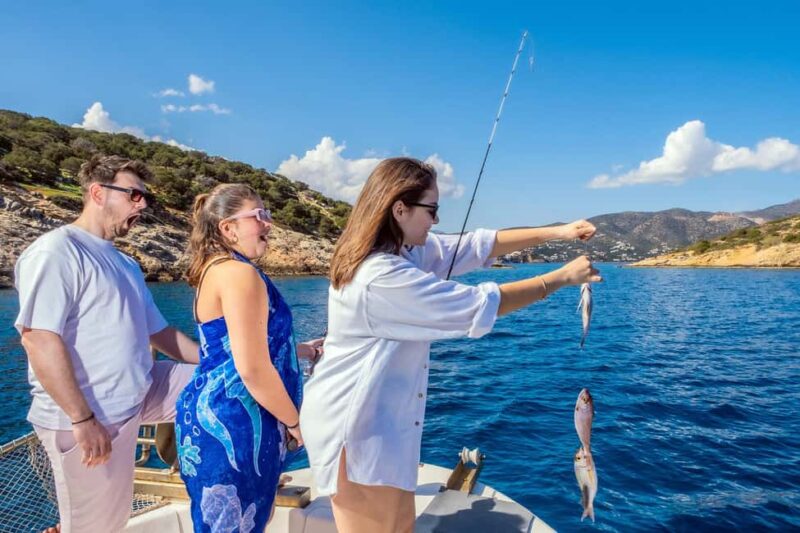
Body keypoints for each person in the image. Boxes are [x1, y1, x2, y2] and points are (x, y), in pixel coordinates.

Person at [300, 157, 601, 532]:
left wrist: (560, 232)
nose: (437, 220)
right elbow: (478, 304)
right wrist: (561, 277)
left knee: (400, 526)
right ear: (399, 209)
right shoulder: (380, 276)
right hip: (354, 427)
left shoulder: (404, 251)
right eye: (432, 209)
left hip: (381, 423)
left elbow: (478, 245)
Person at [14, 155, 200, 533]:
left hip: (137, 396)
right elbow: (38, 339)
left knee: (225, 381)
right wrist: (82, 420)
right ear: (98, 193)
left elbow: (161, 334)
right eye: (134, 195)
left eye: (144, 197)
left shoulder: (124, 264)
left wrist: (228, 361)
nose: (143, 205)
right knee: (99, 527)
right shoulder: (57, 252)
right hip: (89, 416)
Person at [176, 183, 323, 532]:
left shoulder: (219, 269)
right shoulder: (238, 274)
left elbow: (230, 346)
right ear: (228, 228)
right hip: (234, 424)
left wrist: (300, 349)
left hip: (223, 417)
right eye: (259, 216)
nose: (268, 223)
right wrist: (296, 423)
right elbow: (252, 368)